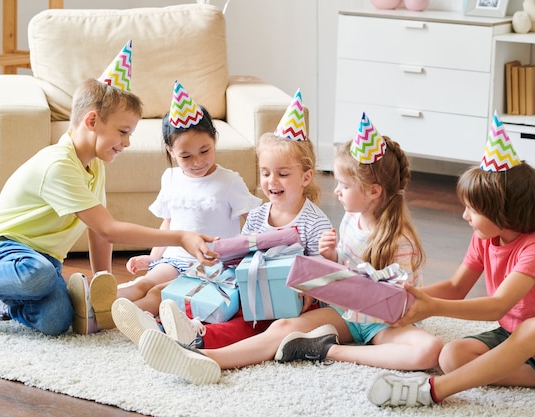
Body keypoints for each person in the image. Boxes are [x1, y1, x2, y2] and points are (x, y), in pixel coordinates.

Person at [113, 112, 443, 385]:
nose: (337, 191)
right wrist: (331, 260)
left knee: (429, 350)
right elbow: (340, 272)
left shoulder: (400, 240)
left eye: (343, 185)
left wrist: (328, 269)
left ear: (372, 191)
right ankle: (203, 357)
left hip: (379, 323)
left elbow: (398, 299)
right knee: (277, 327)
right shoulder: (349, 221)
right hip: (343, 312)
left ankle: (327, 351)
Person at [0, 41, 218, 336]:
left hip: (43, 262)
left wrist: (103, 282)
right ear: (93, 120)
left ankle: (0, 299)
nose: (128, 142)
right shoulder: (58, 164)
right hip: (3, 250)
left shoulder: (94, 166)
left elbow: (98, 230)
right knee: (38, 275)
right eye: (123, 132)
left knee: (57, 320)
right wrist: (180, 236)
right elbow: (109, 229)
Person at [366, 113, 535, 408]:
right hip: (512, 332)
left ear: (502, 213)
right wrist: (403, 297)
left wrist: (433, 308)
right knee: (451, 356)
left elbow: (497, 306)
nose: (465, 216)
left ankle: (434, 390)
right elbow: (457, 286)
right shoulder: (485, 236)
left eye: (472, 209)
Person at [112, 89, 333, 348]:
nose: (272, 181)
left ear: (306, 177)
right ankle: (138, 318)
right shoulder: (261, 213)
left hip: (287, 298)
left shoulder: (314, 220)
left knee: (244, 322)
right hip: (247, 286)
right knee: (178, 292)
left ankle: (195, 337)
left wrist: (317, 273)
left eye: (282, 174)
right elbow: (244, 251)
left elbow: (323, 270)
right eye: (265, 173)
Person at [115, 80, 261, 316]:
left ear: (214, 139)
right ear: (170, 151)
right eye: (186, 156)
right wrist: (152, 259)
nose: (197, 162)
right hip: (174, 259)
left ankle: (120, 319)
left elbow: (254, 221)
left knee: (159, 294)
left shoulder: (229, 181)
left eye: (204, 151)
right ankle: (99, 309)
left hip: (212, 266)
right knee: (143, 283)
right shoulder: (170, 178)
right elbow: (168, 224)